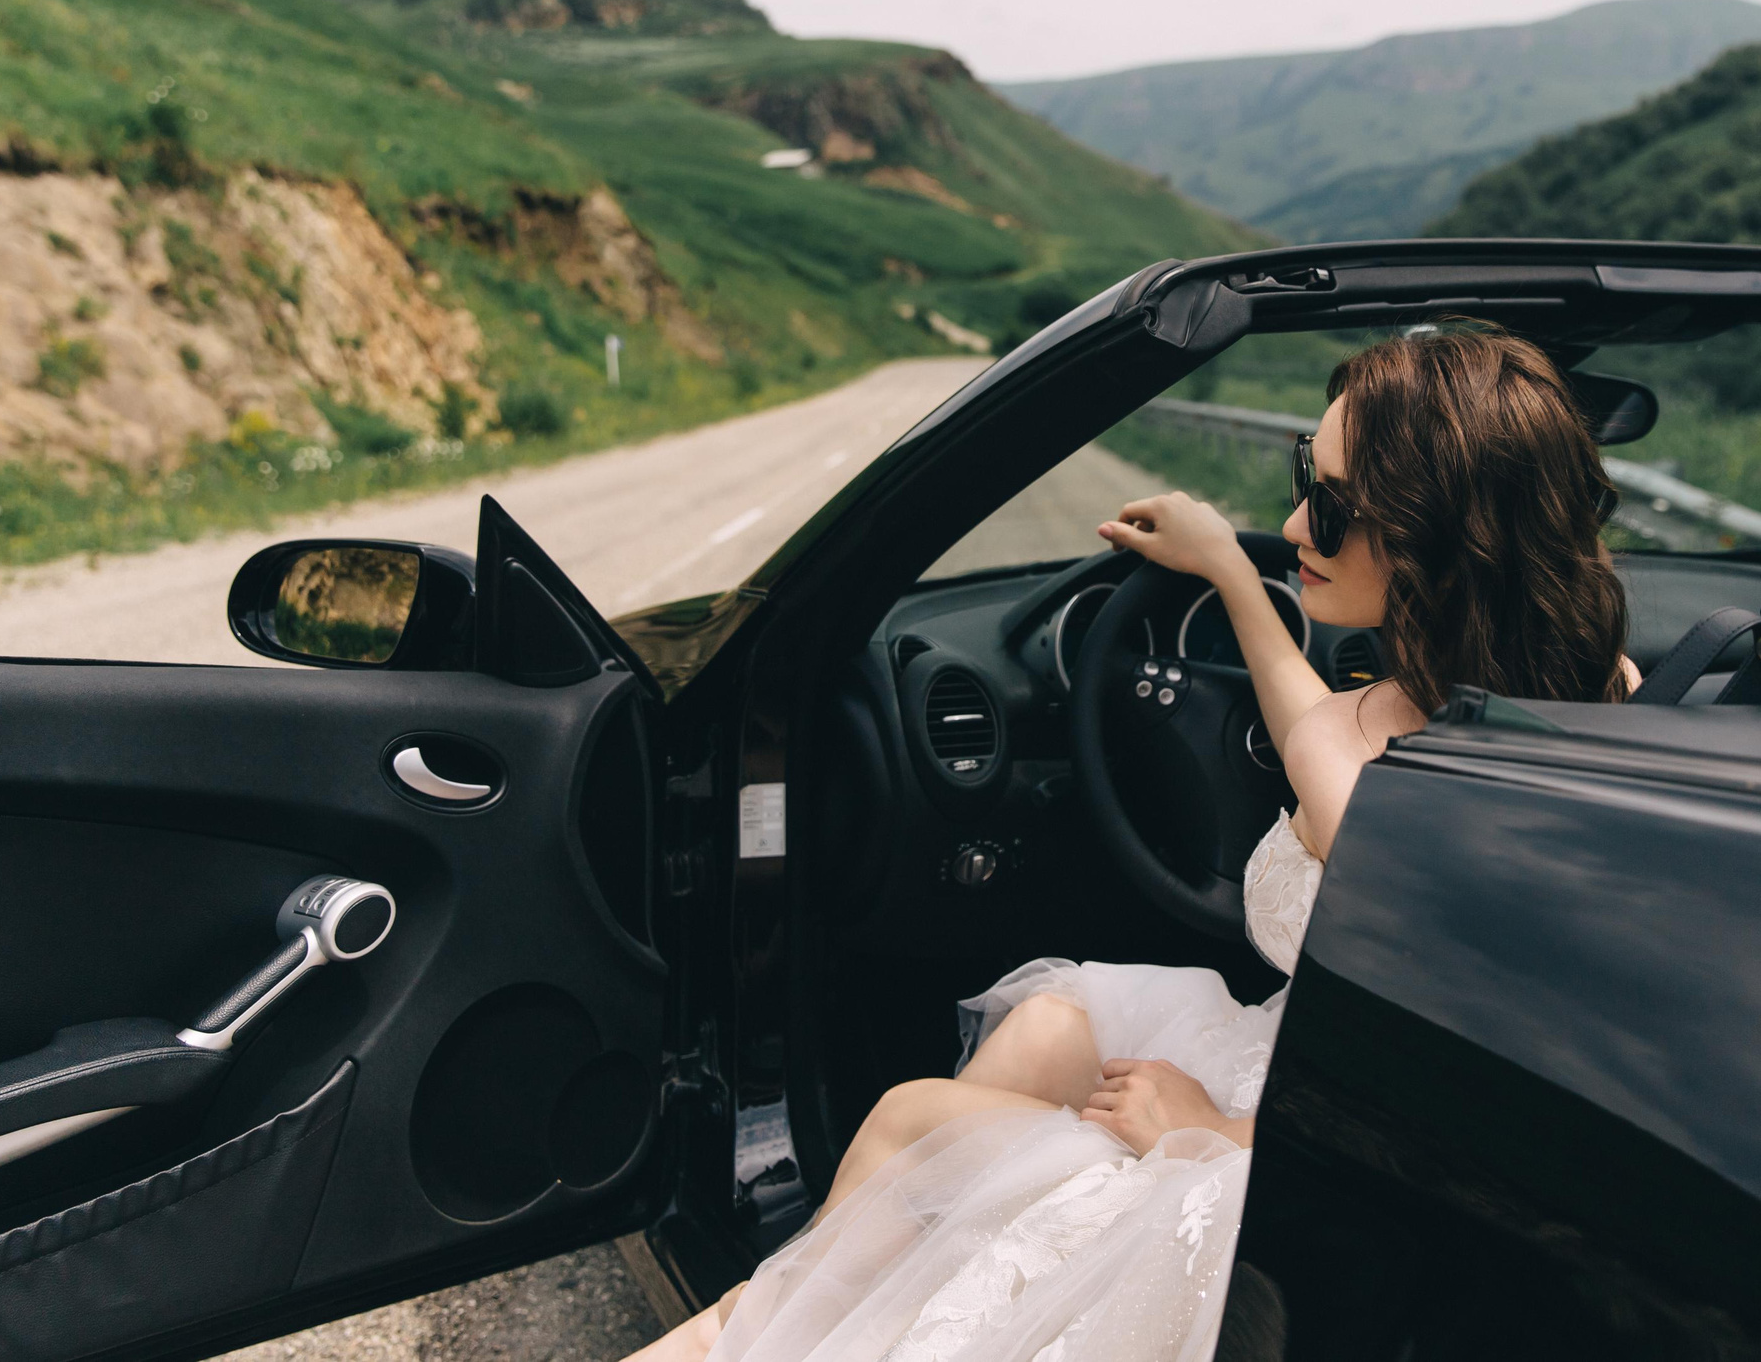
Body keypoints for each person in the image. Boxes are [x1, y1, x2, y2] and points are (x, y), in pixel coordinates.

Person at [635, 324, 1635, 1362]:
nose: (1296, 519)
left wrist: (1219, 1134)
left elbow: (1476, 1112)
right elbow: (1312, 731)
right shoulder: (1589, 689)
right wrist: (1233, 578)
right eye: (1308, 475)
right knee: (1043, 1032)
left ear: (1437, 537)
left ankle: (772, 1332)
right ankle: (845, 1314)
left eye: (1332, 508)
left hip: (1310, 1151)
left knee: (905, 1129)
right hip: (1284, 1055)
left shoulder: (1381, 814)